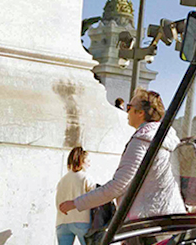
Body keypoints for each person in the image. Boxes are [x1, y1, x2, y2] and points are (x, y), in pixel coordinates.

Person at [63, 89, 181, 227]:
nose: (126, 111)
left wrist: (76, 203)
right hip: (172, 216)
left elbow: (118, 185)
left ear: (140, 113)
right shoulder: (168, 139)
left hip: (148, 223)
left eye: (130, 107)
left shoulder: (142, 141)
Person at [52, 146, 92, 245]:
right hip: (82, 220)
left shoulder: (62, 180)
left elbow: (58, 202)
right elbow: (92, 199)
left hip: (62, 222)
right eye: (88, 161)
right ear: (82, 161)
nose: (90, 164)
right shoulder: (86, 178)